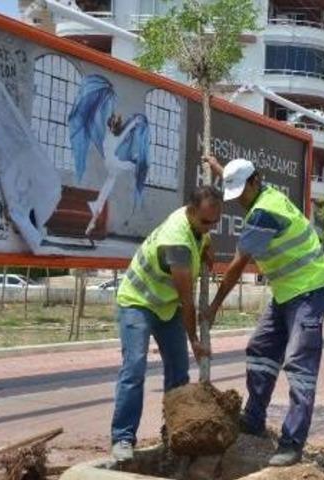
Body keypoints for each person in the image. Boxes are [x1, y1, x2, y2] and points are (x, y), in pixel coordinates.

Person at [204, 155, 324, 467]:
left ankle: (291, 443)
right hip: (287, 290)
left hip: (310, 289)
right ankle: (254, 419)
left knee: (299, 365)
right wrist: (220, 169)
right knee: (260, 348)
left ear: (256, 181)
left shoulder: (264, 212)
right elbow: (241, 181)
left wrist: (212, 307)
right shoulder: (261, 194)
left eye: (241, 193)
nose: (239, 202)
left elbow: (237, 266)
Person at [109, 186, 222, 461]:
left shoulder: (197, 226)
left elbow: (202, 238)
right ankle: (123, 438)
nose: (210, 227)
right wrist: (194, 340)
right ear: (191, 211)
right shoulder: (176, 242)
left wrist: (208, 245)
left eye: (215, 223)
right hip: (138, 301)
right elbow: (187, 299)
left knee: (179, 373)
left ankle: (175, 435)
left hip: (165, 305)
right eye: (206, 223)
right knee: (135, 367)